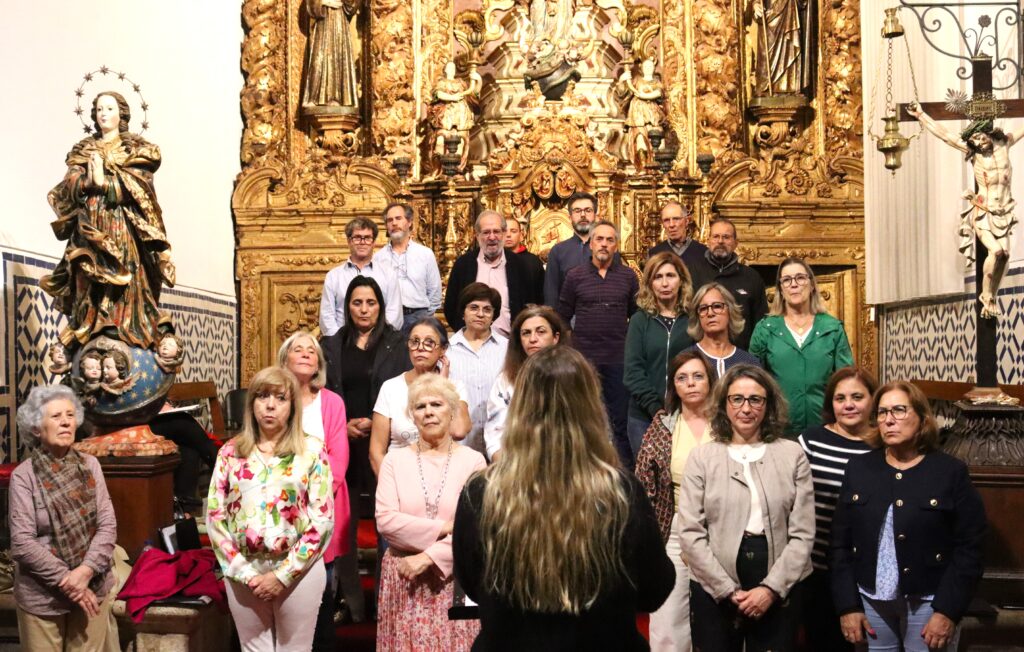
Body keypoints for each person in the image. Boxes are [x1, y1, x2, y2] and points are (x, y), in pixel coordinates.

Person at [453, 346, 675, 649]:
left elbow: (474, 585)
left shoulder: (481, 492)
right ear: (590, 405)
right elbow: (654, 590)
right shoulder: (621, 492)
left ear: (520, 406)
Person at [831, 381, 987, 652]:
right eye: (882, 412)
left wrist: (947, 611)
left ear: (922, 418)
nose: (889, 420)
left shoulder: (949, 472)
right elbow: (839, 545)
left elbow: (971, 547)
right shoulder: (859, 469)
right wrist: (848, 605)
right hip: (871, 599)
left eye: (899, 410)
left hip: (929, 602)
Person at [678, 364, 815, 652]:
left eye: (756, 399)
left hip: (779, 581)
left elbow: (803, 534)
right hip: (714, 583)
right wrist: (726, 590)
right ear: (724, 403)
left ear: (769, 405)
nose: (746, 408)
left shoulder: (792, 454)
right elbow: (690, 533)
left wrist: (770, 589)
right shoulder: (702, 457)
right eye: (737, 399)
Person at [207, 366, 334, 652]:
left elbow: (322, 519)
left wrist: (283, 575)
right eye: (262, 396)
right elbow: (215, 517)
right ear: (251, 403)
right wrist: (245, 573)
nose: (270, 405)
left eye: (280, 398)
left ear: (292, 406)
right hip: (244, 570)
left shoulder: (312, 451)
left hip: (298, 569)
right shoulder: (231, 451)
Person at [41, 92, 175, 350]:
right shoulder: (84, 149)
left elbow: (141, 187)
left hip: (121, 224)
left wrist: (106, 184)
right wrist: (86, 182)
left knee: (125, 276)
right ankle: (88, 329)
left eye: (110, 108)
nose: (103, 113)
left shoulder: (135, 149)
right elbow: (69, 183)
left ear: (121, 114)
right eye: (99, 109)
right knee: (86, 274)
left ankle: (122, 329)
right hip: (89, 224)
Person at [322, 276, 412, 623]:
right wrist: (341, 425)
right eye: (357, 303)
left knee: (386, 524)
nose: (363, 309)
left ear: (381, 306)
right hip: (341, 443)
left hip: (384, 446)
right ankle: (354, 605)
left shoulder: (398, 343)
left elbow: (406, 391)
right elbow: (322, 392)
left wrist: (378, 424)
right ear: (347, 307)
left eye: (370, 303)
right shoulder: (331, 345)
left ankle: (384, 602)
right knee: (342, 525)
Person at [375, 374, 485, 649]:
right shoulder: (394, 460)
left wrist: (429, 557)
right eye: (420, 407)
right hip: (403, 576)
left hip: (453, 579)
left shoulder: (474, 461)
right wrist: (442, 528)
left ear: (452, 412)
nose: (428, 413)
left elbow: (477, 530)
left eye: (436, 404)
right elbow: (386, 521)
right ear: (412, 416)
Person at [11, 385, 118, 651]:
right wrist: (71, 583)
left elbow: (107, 525)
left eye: (70, 415)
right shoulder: (24, 476)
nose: (66, 422)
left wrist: (85, 571)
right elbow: (22, 543)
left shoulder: (90, 465)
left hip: (93, 586)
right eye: (56, 416)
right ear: (37, 428)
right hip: (42, 597)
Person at [908, 102, 1024, 318]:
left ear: (989, 133)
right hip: (984, 211)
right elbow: (945, 135)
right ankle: (986, 295)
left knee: (1005, 256)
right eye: (974, 141)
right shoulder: (974, 152)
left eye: (981, 137)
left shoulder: (1004, 143)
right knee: (996, 251)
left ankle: (992, 297)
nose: (980, 143)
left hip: (1004, 212)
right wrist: (921, 115)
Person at [635, 351, 716, 652]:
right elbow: (644, 481)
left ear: (710, 381)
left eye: (698, 376)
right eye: (682, 378)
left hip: (722, 528)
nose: (691, 384)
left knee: (720, 616)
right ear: (673, 386)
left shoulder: (727, 423)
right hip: (674, 527)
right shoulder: (663, 424)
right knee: (668, 620)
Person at [277, 330, 350, 650]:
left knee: (321, 591)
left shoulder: (332, 402)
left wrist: (311, 502)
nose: (306, 353)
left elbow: (339, 460)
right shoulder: (274, 399)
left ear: (319, 362)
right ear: (285, 359)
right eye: (298, 349)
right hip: (277, 509)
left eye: (312, 350)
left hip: (323, 508)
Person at [797, 366, 879, 652]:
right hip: (814, 565)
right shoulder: (810, 441)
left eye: (857, 396)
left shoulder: (883, 446)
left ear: (873, 400)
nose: (848, 405)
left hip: (863, 568)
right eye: (840, 398)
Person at [559, 220, 639, 467]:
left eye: (610, 240)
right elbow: (562, 315)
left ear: (616, 245)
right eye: (599, 239)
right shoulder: (575, 276)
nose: (604, 244)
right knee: (583, 417)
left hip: (618, 359)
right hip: (585, 361)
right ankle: (581, 470)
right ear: (591, 243)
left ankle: (624, 475)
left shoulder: (628, 277)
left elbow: (636, 316)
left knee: (619, 422)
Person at [749, 257, 854, 436]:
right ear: (781, 289)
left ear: (812, 284)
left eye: (800, 278)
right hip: (778, 429)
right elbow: (752, 380)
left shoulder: (832, 328)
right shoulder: (765, 329)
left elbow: (846, 380)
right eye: (787, 280)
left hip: (825, 427)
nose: (794, 284)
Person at [370, 317, 471, 475]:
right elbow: (376, 452)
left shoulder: (455, 387)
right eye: (414, 341)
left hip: (445, 475)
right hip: (400, 475)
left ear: (443, 349)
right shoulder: (391, 387)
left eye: (429, 342)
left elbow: (458, 431)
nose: (420, 348)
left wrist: (442, 386)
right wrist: (390, 485)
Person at [624, 251, 695, 461]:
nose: (665, 283)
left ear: (681, 281)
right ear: (649, 283)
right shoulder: (640, 320)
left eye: (670, 276)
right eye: (658, 277)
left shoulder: (692, 320)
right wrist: (656, 410)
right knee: (650, 483)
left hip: (685, 414)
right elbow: (632, 371)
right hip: (644, 417)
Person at [484, 304, 567, 461]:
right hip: (517, 465)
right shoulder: (506, 380)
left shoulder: (572, 375)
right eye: (526, 333)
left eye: (541, 332)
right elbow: (496, 434)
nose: (533, 339)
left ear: (555, 338)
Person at [444, 210, 542, 337]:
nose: (492, 237)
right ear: (477, 235)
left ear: (503, 233)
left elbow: (531, 305)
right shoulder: (463, 265)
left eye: (496, 231)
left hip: (511, 344)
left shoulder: (520, 266)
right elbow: (451, 307)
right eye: (486, 232)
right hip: (472, 343)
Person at [446, 283, 508, 455]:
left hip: (500, 445)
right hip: (458, 444)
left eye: (487, 309)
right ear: (463, 312)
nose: (481, 314)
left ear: (493, 315)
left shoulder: (508, 349)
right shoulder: (446, 351)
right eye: (474, 308)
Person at [687, 218, 768, 348]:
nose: (720, 241)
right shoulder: (691, 273)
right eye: (716, 236)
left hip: (741, 356)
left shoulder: (751, 277)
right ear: (708, 241)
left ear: (736, 243)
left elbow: (760, 323)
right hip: (701, 354)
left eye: (726, 237)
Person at [319, 216, 402, 336]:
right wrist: (339, 342)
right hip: (343, 345)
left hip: (380, 343)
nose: (362, 242)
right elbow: (327, 317)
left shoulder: (388, 274)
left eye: (367, 238)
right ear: (349, 241)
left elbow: (394, 314)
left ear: (374, 242)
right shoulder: (334, 276)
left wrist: (378, 339)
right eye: (357, 238)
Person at [373, 202, 443, 333]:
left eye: (398, 218)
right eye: (389, 220)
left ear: (409, 222)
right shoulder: (378, 258)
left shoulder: (425, 254)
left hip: (419, 316)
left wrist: (425, 316)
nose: (394, 223)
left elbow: (435, 292)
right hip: (388, 318)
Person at [544, 191, 613, 307]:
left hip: (602, 316)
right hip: (568, 319)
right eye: (577, 211)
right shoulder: (558, 251)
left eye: (588, 210)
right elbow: (551, 293)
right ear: (570, 217)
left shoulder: (608, 249)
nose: (582, 215)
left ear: (595, 216)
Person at [685, 281, 761, 375]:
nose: (710, 313)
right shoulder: (686, 360)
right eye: (703, 308)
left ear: (730, 311)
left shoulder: (749, 363)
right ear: (697, 316)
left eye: (717, 306)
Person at [302, 0, 359, 109]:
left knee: (337, 58)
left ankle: (337, 98)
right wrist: (323, 2)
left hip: (339, 20)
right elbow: (310, 3)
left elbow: (353, 4)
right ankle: (313, 97)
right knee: (318, 59)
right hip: (323, 21)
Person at [619, 58, 667, 171]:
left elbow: (657, 93)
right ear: (642, 69)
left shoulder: (657, 82)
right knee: (640, 140)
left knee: (657, 141)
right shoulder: (636, 80)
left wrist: (642, 95)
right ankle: (642, 167)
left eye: (650, 67)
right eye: (646, 67)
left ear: (654, 68)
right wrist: (622, 81)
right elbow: (624, 93)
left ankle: (656, 167)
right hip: (637, 115)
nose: (648, 69)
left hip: (652, 115)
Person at [647, 200, 708, 272]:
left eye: (676, 219)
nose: (671, 224)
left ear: (687, 221)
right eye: (666, 220)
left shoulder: (703, 253)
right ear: (662, 224)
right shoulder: (655, 254)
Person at [504, 218, 545, 295]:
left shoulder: (533, 261)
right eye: (504, 231)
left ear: (521, 235)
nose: (508, 235)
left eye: (513, 231)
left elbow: (541, 293)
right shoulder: (494, 260)